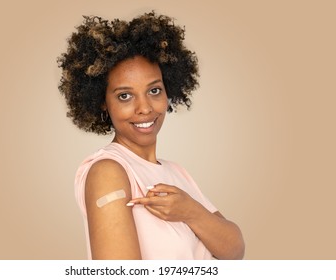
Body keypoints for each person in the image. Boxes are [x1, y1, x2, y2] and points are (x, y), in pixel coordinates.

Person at [57, 11, 245, 260]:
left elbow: (235, 249)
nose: (145, 108)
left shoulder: (176, 172)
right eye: (125, 95)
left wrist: (190, 211)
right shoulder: (108, 171)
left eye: (154, 90)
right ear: (102, 102)